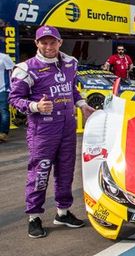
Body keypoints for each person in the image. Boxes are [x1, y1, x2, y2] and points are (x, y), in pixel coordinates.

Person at [9, 26, 95, 238]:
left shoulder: (70, 63)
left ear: (60, 42)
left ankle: (63, 212)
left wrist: (83, 105)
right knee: (40, 172)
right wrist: (35, 107)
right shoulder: (26, 68)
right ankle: (34, 216)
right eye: (44, 42)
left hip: (67, 128)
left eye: (52, 42)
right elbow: (14, 98)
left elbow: (72, 88)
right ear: (37, 44)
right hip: (43, 130)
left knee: (66, 172)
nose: (48, 46)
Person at [0, 51, 15, 142]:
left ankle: (3, 133)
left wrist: (13, 86)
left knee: (3, 111)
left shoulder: (4, 57)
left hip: (3, 89)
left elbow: (14, 70)